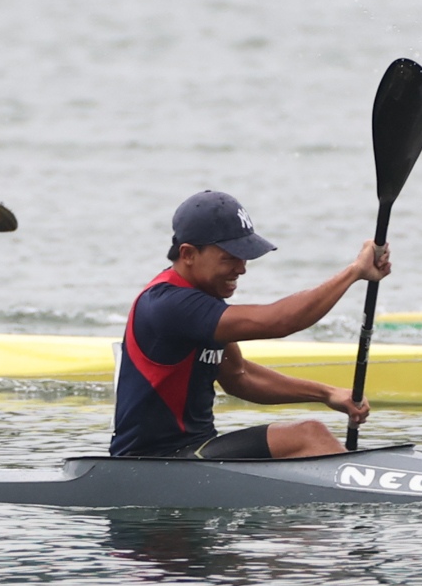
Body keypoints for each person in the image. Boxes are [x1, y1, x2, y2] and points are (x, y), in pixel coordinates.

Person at [111, 190, 390, 459]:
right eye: (229, 257)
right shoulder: (168, 304)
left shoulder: (204, 298)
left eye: (243, 256)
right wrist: (354, 272)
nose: (242, 268)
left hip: (195, 452)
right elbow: (278, 321)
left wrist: (326, 393)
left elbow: (240, 376)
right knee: (309, 436)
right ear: (188, 254)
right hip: (152, 461)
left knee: (308, 438)